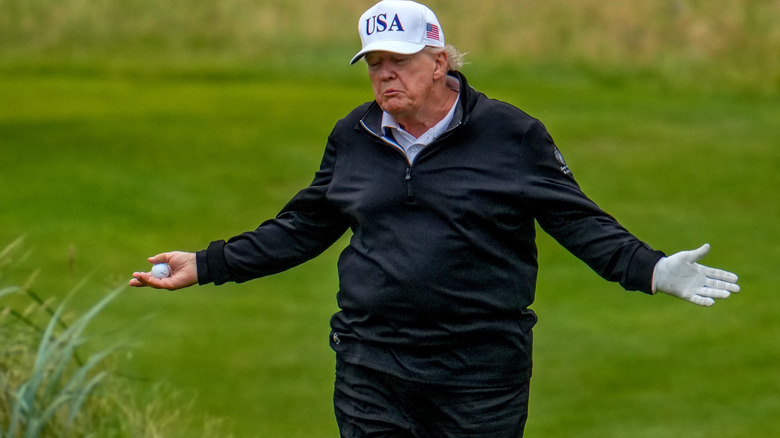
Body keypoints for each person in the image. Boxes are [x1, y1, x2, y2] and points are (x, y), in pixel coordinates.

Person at [130, 1, 741, 436]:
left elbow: (579, 221)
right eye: (373, 63)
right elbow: (304, 224)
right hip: (371, 363)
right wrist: (206, 263)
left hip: (479, 372)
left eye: (397, 60)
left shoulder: (511, 134)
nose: (384, 75)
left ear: (440, 60)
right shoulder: (356, 133)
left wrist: (654, 270)